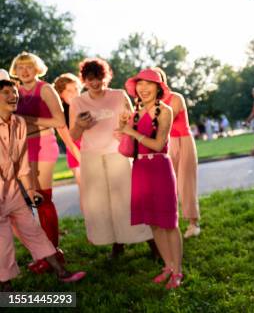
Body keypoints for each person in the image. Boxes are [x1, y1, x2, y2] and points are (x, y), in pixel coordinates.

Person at [0, 79, 86, 291]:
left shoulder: (19, 123)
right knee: (2, 241)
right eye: (6, 93)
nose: (14, 96)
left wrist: (30, 190)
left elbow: (21, 162)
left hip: (12, 189)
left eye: (14, 92)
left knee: (33, 230)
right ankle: (5, 286)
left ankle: (62, 273)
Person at [69, 58, 153, 258]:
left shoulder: (119, 95)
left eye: (98, 78)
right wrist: (81, 125)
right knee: (102, 203)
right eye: (90, 79)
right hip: (92, 157)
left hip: (118, 154)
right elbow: (73, 136)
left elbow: (134, 121)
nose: (95, 83)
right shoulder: (77, 102)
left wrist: (126, 131)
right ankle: (117, 243)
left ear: (105, 77)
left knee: (128, 200)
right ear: (84, 81)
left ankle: (152, 242)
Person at [117, 69, 183, 289]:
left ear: (158, 88)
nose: (143, 88)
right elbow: (126, 150)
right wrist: (123, 127)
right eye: (140, 84)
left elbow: (157, 144)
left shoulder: (164, 111)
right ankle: (168, 266)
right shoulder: (134, 113)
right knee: (153, 223)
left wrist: (132, 131)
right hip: (140, 168)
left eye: (149, 84)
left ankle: (178, 271)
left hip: (159, 167)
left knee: (169, 223)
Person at [9, 53, 64, 252]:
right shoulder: (13, 91)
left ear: (37, 69)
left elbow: (59, 121)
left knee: (42, 198)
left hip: (44, 143)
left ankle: (54, 251)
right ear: (15, 70)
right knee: (28, 202)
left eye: (29, 67)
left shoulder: (46, 89)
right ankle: (43, 253)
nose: (24, 71)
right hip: (21, 148)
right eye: (20, 67)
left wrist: (27, 119)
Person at [152, 67, 201, 239]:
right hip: (165, 143)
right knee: (167, 185)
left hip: (183, 140)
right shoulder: (151, 102)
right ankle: (171, 221)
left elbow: (167, 117)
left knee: (185, 183)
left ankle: (193, 223)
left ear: (162, 81)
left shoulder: (175, 97)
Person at [53, 73, 83, 187]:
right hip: (77, 155)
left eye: (76, 89)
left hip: (93, 153)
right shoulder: (59, 115)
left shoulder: (86, 106)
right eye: (69, 90)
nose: (74, 93)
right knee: (86, 193)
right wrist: (83, 161)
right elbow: (69, 143)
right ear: (61, 94)